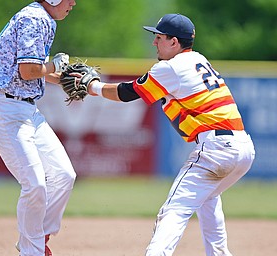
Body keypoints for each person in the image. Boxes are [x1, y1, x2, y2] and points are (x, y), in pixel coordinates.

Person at [87, 14, 255, 256]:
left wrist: (92, 86)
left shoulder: (170, 67)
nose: (154, 43)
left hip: (218, 148)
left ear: (174, 42)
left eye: (159, 37)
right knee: (208, 198)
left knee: (175, 209)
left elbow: (127, 93)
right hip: (243, 148)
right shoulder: (198, 59)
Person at [0, 0, 77, 255]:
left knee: (64, 175)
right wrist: (54, 66)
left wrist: (71, 80)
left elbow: (35, 69)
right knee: (35, 184)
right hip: (4, 109)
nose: (73, 3)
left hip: (26, 109)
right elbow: (28, 70)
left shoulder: (42, 18)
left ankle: (36, 236)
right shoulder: (35, 18)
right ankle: (31, 250)